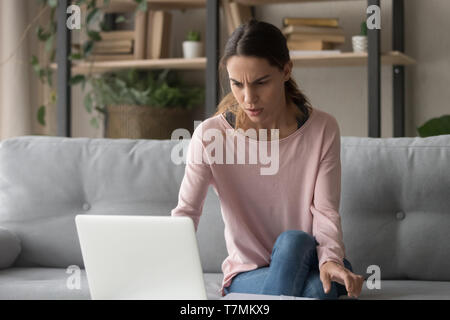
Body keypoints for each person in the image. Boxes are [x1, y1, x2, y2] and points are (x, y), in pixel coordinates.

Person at [171, 19, 364, 299]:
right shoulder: (210, 136)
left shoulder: (323, 129)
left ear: (286, 70)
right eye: (236, 84)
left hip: (314, 259)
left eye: (261, 82)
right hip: (248, 274)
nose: (248, 98)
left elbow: (326, 212)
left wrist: (331, 259)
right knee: (316, 291)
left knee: (295, 242)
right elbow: (186, 213)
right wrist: (162, 269)